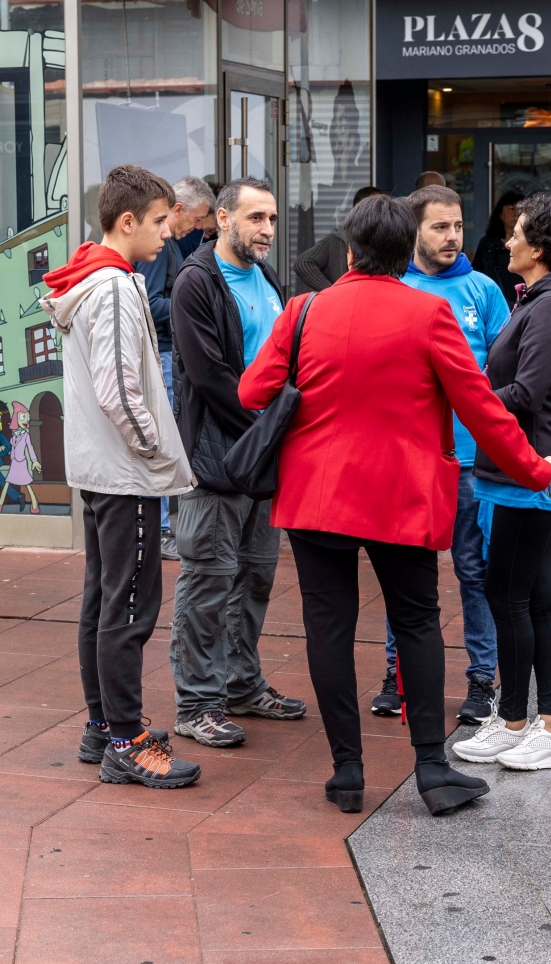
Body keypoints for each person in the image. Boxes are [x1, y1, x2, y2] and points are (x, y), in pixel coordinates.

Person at [238, 194, 551, 817]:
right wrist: (534, 470)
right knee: (416, 621)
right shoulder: (429, 313)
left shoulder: (304, 309)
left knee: (327, 628)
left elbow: (253, 389)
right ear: (404, 250)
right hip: (401, 497)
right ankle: (433, 770)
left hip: (315, 497)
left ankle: (347, 772)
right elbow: (481, 409)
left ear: (352, 251)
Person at [41, 164, 201, 788]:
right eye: (161, 221)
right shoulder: (109, 286)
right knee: (128, 608)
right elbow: (121, 390)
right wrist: (156, 456)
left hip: (106, 469)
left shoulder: (99, 277)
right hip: (124, 472)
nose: (169, 232)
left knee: (104, 602)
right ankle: (126, 741)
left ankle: (103, 727)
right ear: (127, 221)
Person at [454, 193, 551, 772]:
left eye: (516, 234)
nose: (506, 241)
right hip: (524, 466)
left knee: (508, 595)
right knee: (531, 597)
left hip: (528, 470)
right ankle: (541, 726)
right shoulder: (545, 297)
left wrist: (463, 396)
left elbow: (528, 394)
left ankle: (526, 726)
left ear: (538, 249)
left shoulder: (550, 305)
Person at [169, 176, 306, 749]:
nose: (267, 230)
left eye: (271, 219)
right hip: (217, 457)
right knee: (207, 582)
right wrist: (266, 431)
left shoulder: (267, 277)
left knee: (253, 578)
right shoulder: (195, 281)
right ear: (222, 219)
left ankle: (241, 685)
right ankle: (196, 703)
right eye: (255, 219)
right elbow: (211, 378)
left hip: (261, 457)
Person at [371, 185, 509, 725]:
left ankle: (481, 682)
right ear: (413, 232)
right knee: (406, 572)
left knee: (475, 572)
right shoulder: (393, 287)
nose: (452, 237)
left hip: (472, 463)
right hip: (409, 460)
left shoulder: (483, 290)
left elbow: (503, 372)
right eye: (439, 227)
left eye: (456, 226)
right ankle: (397, 673)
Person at [135, 176, 216, 561]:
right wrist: (190, 307)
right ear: (178, 210)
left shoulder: (170, 248)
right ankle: (165, 528)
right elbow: (150, 304)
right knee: (165, 439)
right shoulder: (160, 250)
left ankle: (165, 526)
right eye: (198, 219)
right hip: (163, 354)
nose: (198, 228)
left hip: (167, 354)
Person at [293, 186, 383, 291]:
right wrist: (332, 291)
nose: (382, 215)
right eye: (378, 209)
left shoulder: (382, 241)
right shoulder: (338, 239)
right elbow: (303, 263)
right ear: (358, 210)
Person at [472, 191, 524, 306]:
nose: (516, 213)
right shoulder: (487, 244)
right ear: (500, 214)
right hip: (494, 303)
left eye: (519, 209)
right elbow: (476, 274)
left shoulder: (530, 243)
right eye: (511, 209)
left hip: (524, 303)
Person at [0, 402, 41, 514]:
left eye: (27, 417)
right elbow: (13, 448)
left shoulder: (26, 435)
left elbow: (30, 447)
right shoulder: (14, 435)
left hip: (21, 462)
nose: (26, 420)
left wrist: (34, 460)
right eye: (23, 417)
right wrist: (4, 450)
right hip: (14, 462)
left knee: (26, 483)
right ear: (16, 419)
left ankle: (35, 503)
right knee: (7, 482)